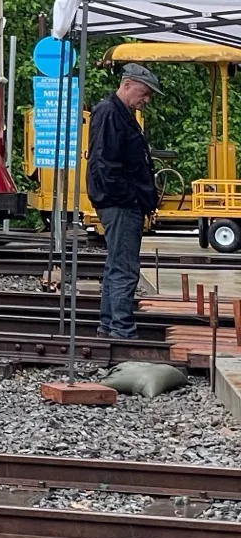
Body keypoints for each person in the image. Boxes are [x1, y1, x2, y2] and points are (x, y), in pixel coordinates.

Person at [85, 62, 161, 338]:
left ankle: (109, 326)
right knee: (125, 267)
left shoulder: (118, 113)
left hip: (119, 201)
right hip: (120, 204)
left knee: (117, 264)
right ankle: (121, 329)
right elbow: (105, 164)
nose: (146, 100)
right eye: (144, 93)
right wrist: (130, 198)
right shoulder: (110, 113)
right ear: (127, 85)